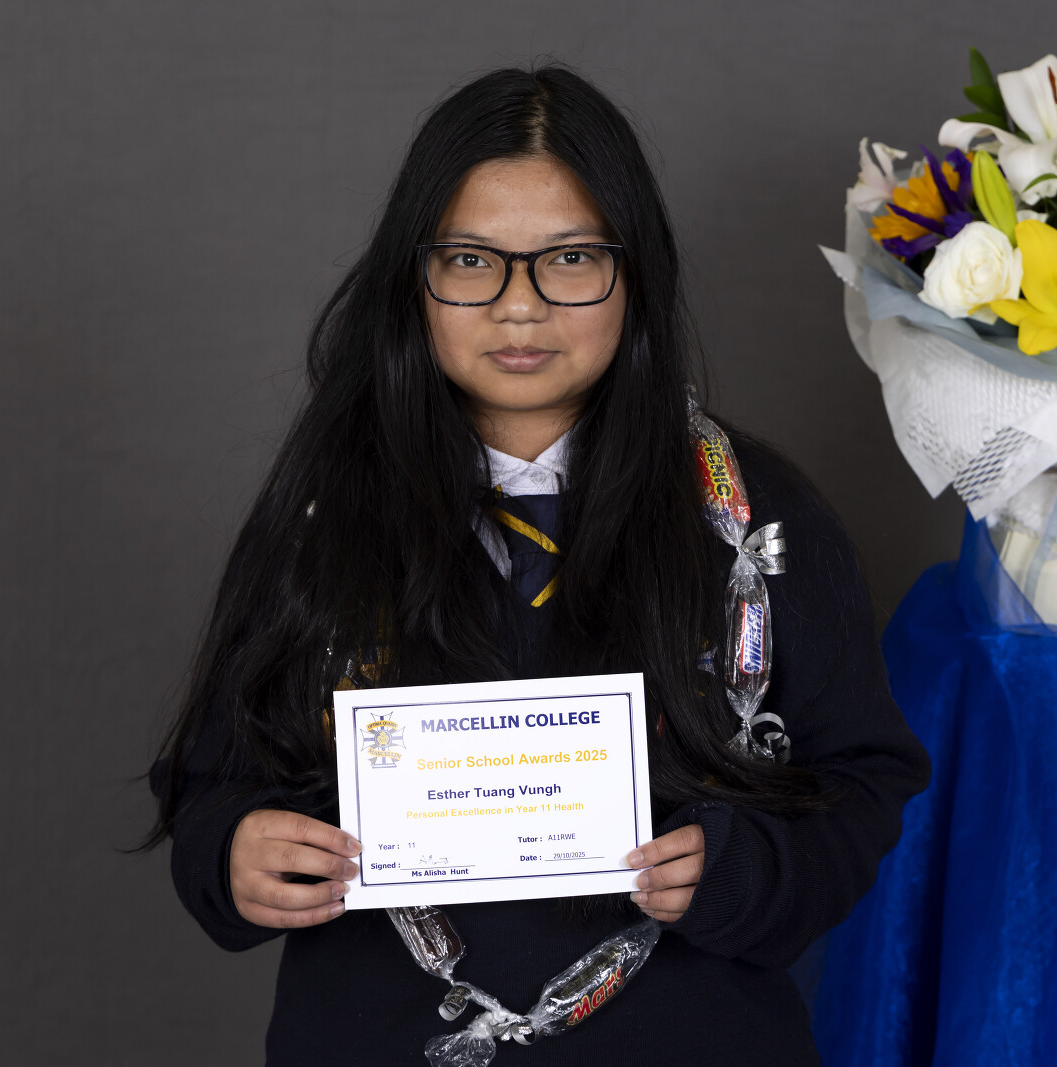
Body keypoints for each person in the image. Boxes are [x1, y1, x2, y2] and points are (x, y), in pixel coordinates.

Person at [144, 63, 929, 1065]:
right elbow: (213, 778)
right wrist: (233, 853)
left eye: (571, 258)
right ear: (413, 278)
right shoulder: (321, 513)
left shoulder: (757, 517)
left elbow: (862, 780)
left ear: (637, 273)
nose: (520, 307)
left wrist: (747, 870)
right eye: (472, 260)